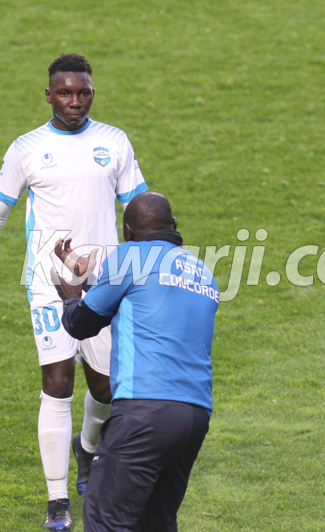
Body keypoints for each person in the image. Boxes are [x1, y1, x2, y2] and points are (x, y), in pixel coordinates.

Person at [0, 53, 148, 531]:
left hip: (105, 283)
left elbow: (139, 210)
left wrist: (150, 267)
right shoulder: (27, 149)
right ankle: (57, 500)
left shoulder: (113, 142)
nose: (74, 101)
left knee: (106, 387)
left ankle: (88, 448)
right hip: (47, 282)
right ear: (49, 94)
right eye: (64, 92)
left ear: (92, 93)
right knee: (57, 384)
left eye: (83, 92)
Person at [53, 192, 219, 532]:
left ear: (127, 232)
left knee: (105, 520)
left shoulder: (129, 257)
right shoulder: (202, 272)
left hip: (145, 411)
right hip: (194, 417)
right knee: (156, 522)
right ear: (174, 226)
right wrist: (90, 283)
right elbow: (142, 299)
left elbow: (82, 324)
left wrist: (71, 297)